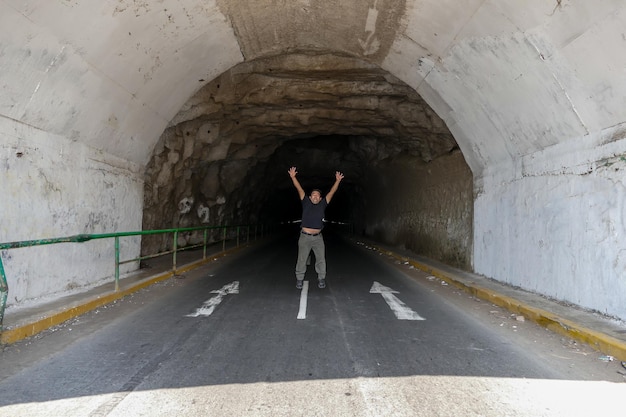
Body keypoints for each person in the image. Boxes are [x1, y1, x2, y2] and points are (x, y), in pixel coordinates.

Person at [288, 166, 344, 289]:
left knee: (321, 259)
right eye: (313, 195)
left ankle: (321, 279)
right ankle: (299, 279)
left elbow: (331, 192)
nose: (315, 197)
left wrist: (338, 181)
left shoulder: (323, 204)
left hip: (318, 237)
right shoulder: (306, 202)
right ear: (310, 197)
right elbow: (299, 189)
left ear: (320, 198)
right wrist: (293, 177)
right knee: (302, 259)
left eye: (317, 196)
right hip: (305, 237)